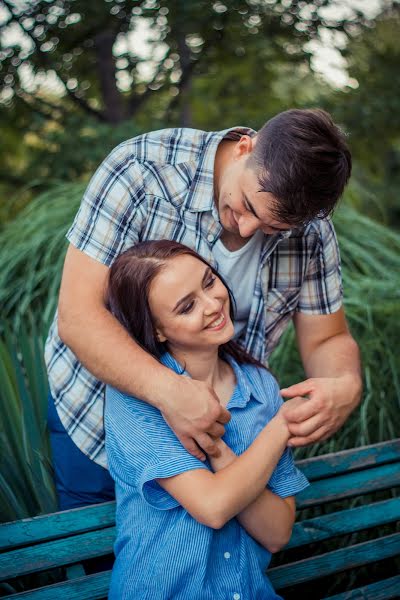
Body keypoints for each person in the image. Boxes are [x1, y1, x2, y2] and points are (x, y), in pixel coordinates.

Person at [45, 108, 362, 510]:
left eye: (272, 228)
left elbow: (327, 337)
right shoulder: (141, 171)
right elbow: (78, 317)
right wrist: (170, 393)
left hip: (226, 443)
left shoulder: (313, 232)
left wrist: (345, 383)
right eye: (246, 205)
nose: (248, 229)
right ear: (246, 147)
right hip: (97, 418)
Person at [104, 240, 310, 599]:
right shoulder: (132, 398)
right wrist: (280, 428)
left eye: (209, 281)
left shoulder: (260, 386)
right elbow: (212, 507)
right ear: (156, 331)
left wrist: (216, 449)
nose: (214, 304)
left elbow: (276, 533)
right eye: (187, 307)